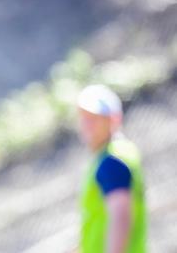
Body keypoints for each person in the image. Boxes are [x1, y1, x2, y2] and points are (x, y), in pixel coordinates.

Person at [77, 84, 147, 253]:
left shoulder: (111, 161)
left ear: (113, 120)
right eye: (84, 118)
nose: (87, 125)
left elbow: (120, 215)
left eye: (94, 119)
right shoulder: (121, 153)